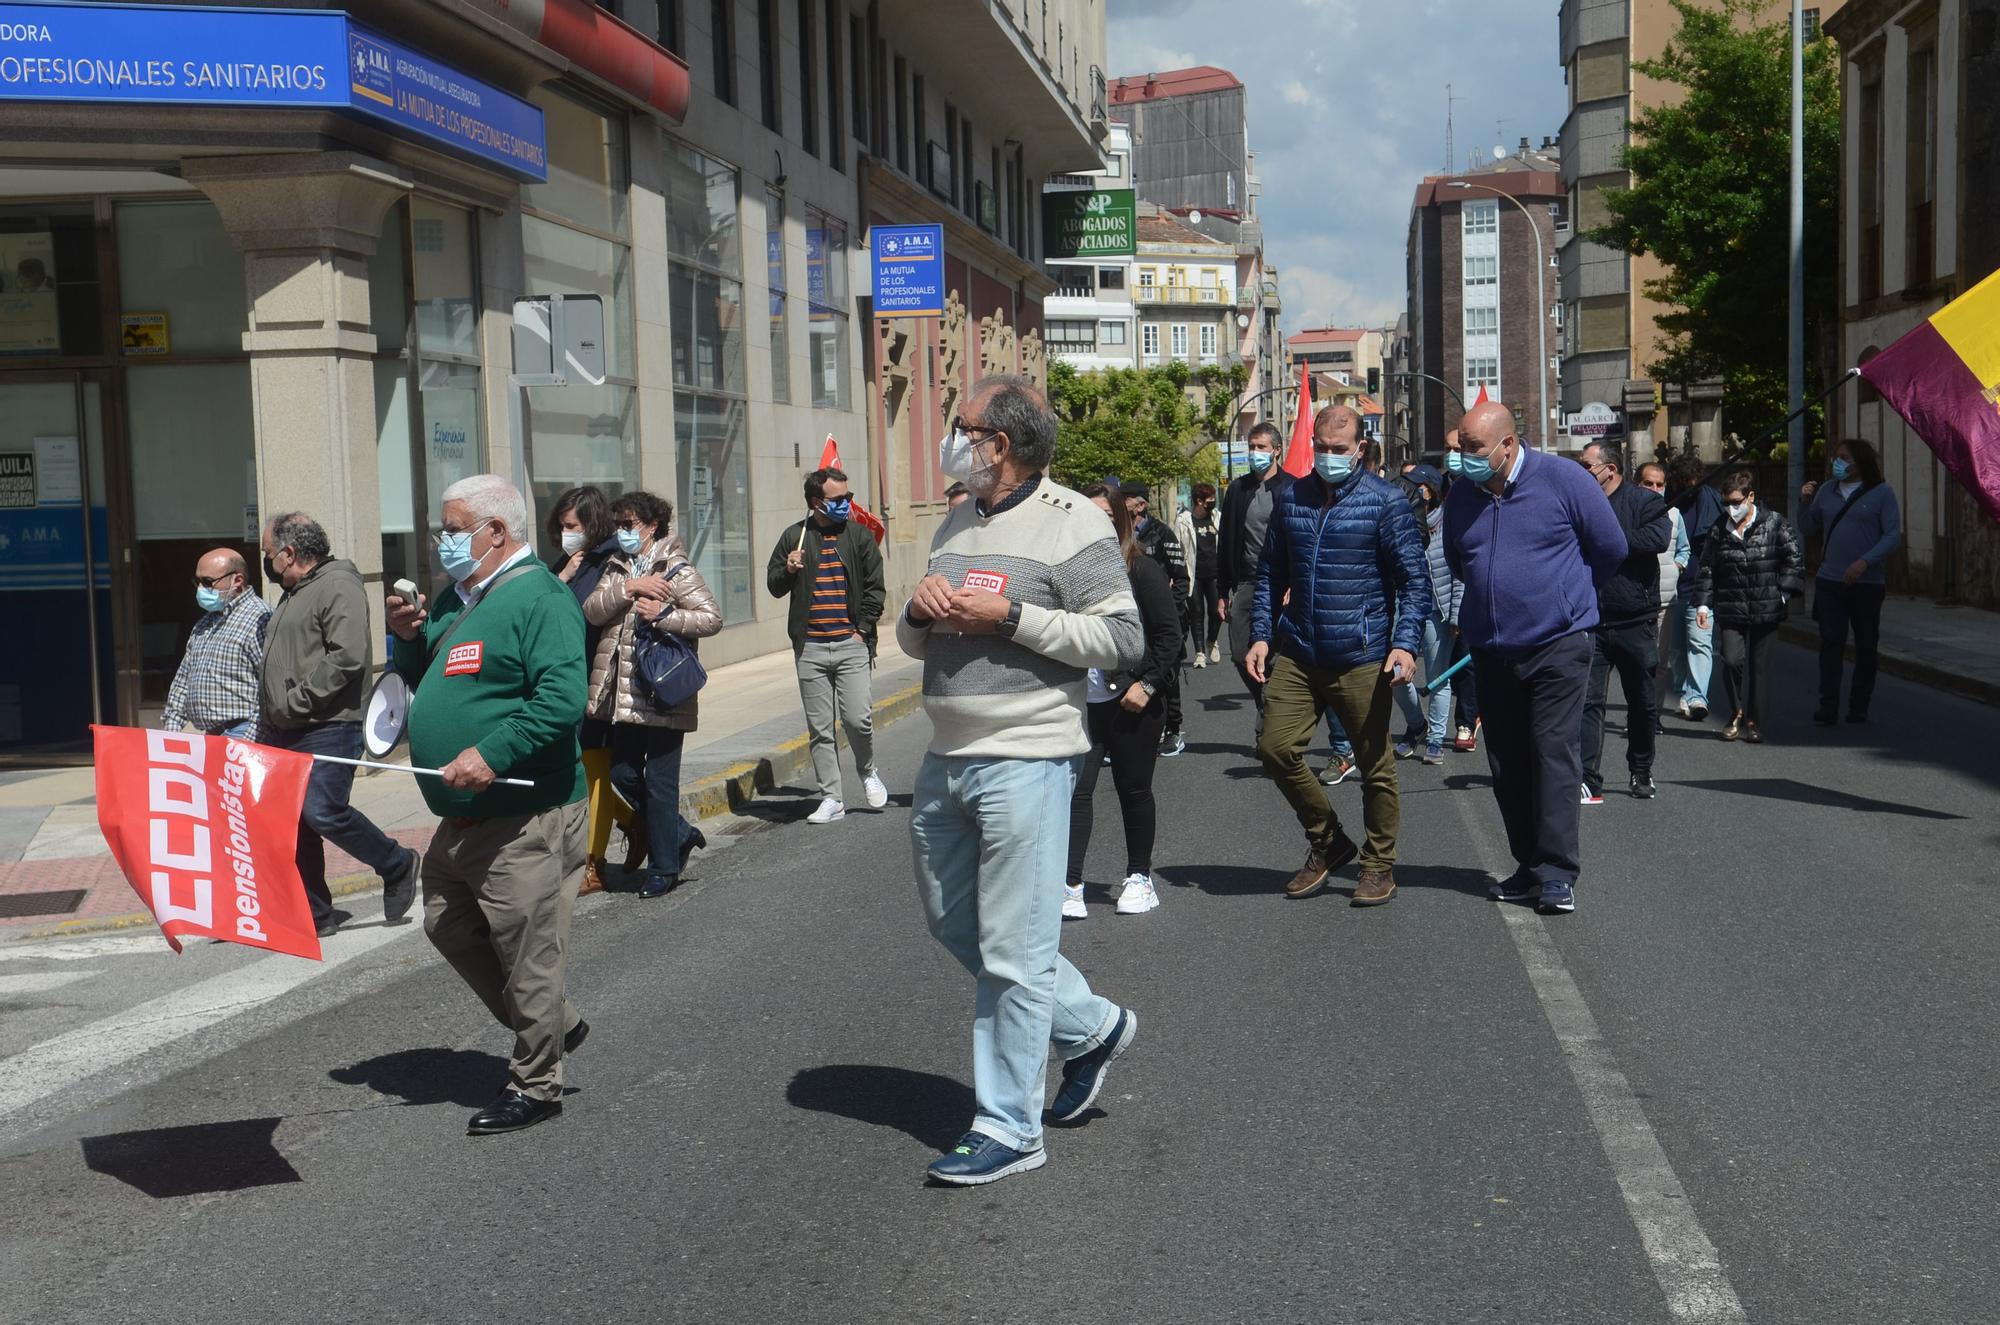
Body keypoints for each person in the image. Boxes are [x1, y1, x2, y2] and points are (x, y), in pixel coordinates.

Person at [901, 374, 1144, 1186]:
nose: (953, 437)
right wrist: (921, 607)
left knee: (1015, 950)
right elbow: (912, 640)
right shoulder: (958, 516)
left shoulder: (1077, 521)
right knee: (954, 924)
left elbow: (1121, 639)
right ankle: (1092, 1026)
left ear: (1000, 444)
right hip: (945, 758)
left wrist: (1007, 618)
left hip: (1029, 759)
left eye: (962, 426)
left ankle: (1008, 1125)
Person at [385, 475, 590, 1136]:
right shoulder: (457, 600)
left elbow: (561, 700)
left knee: (528, 950)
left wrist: (493, 754)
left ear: (496, 532)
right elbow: (429, 680)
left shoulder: (542, 597)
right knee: (445, 920)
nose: (442, 542)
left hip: (524, 813)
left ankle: (536, 1083)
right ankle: (552, 1023)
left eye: (453, 529)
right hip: (464, 816)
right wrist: (407, 638)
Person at [1442, 400, 1626, 916]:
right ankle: (1527, 865)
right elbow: (1460, 560)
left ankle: (1557, 872)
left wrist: (1569, 598)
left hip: (1559, 645)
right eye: (1460, 448)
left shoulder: (1564, 480)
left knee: (1551, 753)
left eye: (1473, 449)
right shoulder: (1462, 496)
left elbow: (1609, 547)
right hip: (1493, 648)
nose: (1463, 458)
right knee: (1507, 762)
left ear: (1507, 445)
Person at [1247, 404, 1430, 906]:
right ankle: (1329, 842)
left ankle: (1378, 865)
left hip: (1362, 653)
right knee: (1275, 748)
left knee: (1376, 767)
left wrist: (1405, 642)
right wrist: (1262, 634)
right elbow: (1269, 574)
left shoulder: (1386, 501)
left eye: (1339, 450)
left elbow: (1414, 582)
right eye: (1321, 449)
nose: (1328, 457)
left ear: (1360, 450)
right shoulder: (1292, 499)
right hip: (1300, 650)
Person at [259, 512, 421, 937]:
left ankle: (396, 862)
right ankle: (316, 915)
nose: (266, 562)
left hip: (329, 722)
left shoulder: (337, 583)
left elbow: (347, 656)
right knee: (295, 822)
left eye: (268, 554)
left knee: (322, 810)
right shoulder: (295, 592)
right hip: (287, 727)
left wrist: (295, 700)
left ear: (290, 553)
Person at [582, 491, 723, 898]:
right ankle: (677, 833)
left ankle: (662, 868)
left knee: (661, 784)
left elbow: (711, 618)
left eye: (630, 525)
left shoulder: (676, 569)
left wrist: (665, 615)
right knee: (622, 773)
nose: (623, 532)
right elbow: (593, 610)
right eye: (619, 525)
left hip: (662, 691)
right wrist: (629, 588)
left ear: (653, 526)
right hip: (623, 695)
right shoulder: (618, 568)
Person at [1064, 483, 1181, 920]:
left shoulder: (1142, 570)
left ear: (1123, 521)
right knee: (1077, 791)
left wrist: (1147, 684)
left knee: (1133, 790)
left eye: (1106, 518)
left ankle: (1139, 877)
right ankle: (1071, 881)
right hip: (1083, 703)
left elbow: (1170, 638)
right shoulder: (1068, 572)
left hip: (1132, 701)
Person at [767, 466, 889, 824]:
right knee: (820, 729)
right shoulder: (795, 536)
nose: (847, 504)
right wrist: (789, 569)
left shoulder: (859, 536)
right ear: (816, 502)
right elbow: (774, 586)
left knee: (858, 718)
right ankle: (832, 797)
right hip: (812, 647)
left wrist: (862, 631)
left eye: (848, 497)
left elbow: (874, 589)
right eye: (839, 499)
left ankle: (867, 771)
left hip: (851, 644)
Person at [1577, 441, 1673, 803]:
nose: (1582, 472)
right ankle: (1588, 777)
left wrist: (1609, 540)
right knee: (1588, 702)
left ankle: (1641, 770)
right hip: (1593, 621)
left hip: (1636, 619)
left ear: (1610, 470)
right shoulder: (1581, 503)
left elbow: (1657, 538)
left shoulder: (1645, 502)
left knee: (1642, 702)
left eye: (1587, 466)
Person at [547, 486, 628, 896]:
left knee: (594, 770)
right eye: (561, 526)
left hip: (596, 680)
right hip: (566, 678)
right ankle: (636, 824)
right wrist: (560, 576)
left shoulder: (612, 561)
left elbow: (590, 615)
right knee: (582, 770)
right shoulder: (568, 562)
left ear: (592, 523)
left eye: (572, 525)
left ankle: (593, 863)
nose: (565, 532)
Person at [1693, 471, 1804, 744]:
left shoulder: (1775, 523)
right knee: (1731, 660)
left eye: (1736, 501)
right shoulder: (1720, 528)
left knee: (1760, 667)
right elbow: (1707, 568)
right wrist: (1703, 606)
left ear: (1751, 497)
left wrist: (1783, 593)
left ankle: (1755, 722)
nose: (1732, 508)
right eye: (1727, 502)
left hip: (1766, 607)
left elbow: (1794, 559)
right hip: (1731, 607)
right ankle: (1736, 712)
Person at [1800, 438, 1901, 725]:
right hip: (1830, 581)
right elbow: (1808, 527)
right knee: (1831, 642)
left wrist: (1865, 561)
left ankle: (1859, 706)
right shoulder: (1826, 491)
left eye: (1843, 457)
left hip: (1867, 584)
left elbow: (1892, 536)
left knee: (1866, 646)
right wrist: (1804, 501)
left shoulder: (1882, 493)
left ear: (1860, 463)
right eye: (1836, 456)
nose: (1837, 462)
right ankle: (1828, 704)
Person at [1217, 422, 1292, 736]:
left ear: (1276, 450)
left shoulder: (1292, 488)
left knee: (1275, 651)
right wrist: (1223, 590)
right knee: (1238, 652)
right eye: (1252, 447)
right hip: (1247, 581)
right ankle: (1266, 700)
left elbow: (1300, 540)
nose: (1255, 453)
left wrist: (1295, 584)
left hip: (1282, 583)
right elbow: (1227, 540)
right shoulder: (1238, 489)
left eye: (1261, 447)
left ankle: (1270, 725)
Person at [159, 549, 270, 739]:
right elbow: (183, 680)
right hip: (212, 735)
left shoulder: (260, 618)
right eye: (198, 581)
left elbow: (270, 689)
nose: (200, 589)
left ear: (237, 580)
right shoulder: (205, 623)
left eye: (208, 582)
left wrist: (250, 739)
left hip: (243, 733)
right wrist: (171, 730)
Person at [1389, 464, 1459, 764]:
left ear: (1429, 491)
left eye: (1416, 486)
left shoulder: (1451, 524)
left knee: (1438, 677)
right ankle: (1417, 725)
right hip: (1404, 610)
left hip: (1437, 612)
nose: (1409, 491)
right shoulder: (1400, 521)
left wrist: (1457, 615)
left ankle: (1435, 739)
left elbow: (1461, 574)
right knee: (1395, 674)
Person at [1122, 481, 1190, 756]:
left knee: (1166, 673)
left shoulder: (1162, 534)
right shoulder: (1118, 535)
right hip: (1130, 618)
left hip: (1162, 619)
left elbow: (1182, 578)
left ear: (1140, 505)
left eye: (1125, 499)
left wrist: (1168, 612)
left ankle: (1173, 729)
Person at [1666, 452, 1724, 719]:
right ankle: (1681, 688)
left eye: (1696, 480)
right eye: (1686, 481)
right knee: (1676, 646)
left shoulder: (1712, 502)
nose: (1692, 485)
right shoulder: (1665, 504)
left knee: (1700, 643)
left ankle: (1697, 697)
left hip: (1701, 587)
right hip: (1671, 586)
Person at [1637, 463, 1690, 729]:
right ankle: (1638, 713)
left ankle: (1652, 715)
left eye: (1660, 485)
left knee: (1659, 661)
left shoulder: (1675, 514)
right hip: (1635, 601)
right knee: (1636, 663)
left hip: (1665, 600)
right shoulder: (1627, 513)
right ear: (1638, 485)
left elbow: (1684, 550)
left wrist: (1677, 567)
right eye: (1649, 484)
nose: (1655, 490)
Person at [1441, 428, 1482, 751]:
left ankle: (1466, 721)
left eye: (1459, 448)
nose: (1452, 454)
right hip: (1441, 589)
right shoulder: (1441, 487)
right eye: (1448, 448)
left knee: (1466, 663)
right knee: (1451, 663)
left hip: (1474, 591)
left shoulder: (1484, 488)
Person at [1176, 483, 1221, 668]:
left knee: (1216, 612)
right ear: (1199, 501)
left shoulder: (1218, 518)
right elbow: (1178, 548)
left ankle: (1212, 640)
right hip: (1193, 574)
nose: (1213, 501)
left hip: (1215, 574)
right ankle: (1200, 652)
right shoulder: (1183, 521)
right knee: (1197, 613)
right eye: (1209, 498)